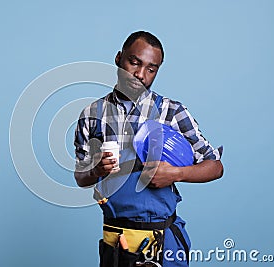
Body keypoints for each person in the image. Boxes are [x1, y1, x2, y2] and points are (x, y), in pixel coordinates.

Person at [74, 31, 223, 267]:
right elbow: (80, 177)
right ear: (118, 58)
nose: (140, 75)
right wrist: (95, 170)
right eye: (134, 63)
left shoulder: (171, 112)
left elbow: (215, 166)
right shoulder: (93, 115)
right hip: (116, 240)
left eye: (151, 69)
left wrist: (176, 174)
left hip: (162, 242)